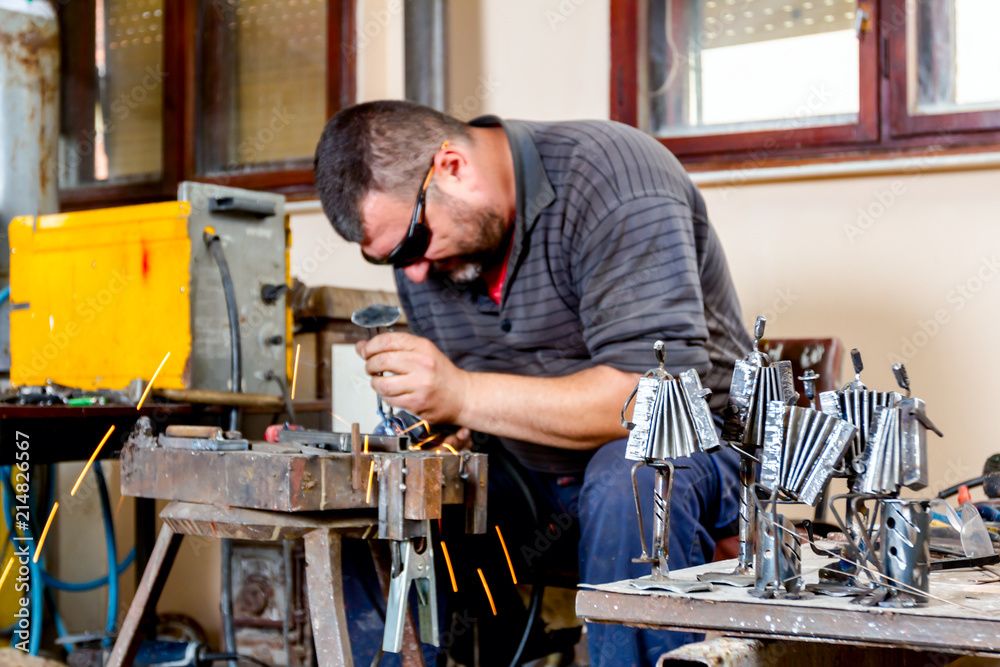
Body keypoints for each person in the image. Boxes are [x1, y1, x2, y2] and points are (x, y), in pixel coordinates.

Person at [314, 100, 751, 667]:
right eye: (392, 259)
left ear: (452, 167)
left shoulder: (613, 176)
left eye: (412, 244)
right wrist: (434, 423)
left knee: (632, 482)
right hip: (531, 482)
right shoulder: (430, 250)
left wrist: (461, 393)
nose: (413, 272)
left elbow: (653, 403)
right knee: (376, 496)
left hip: (684, 464)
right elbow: (465, 410)